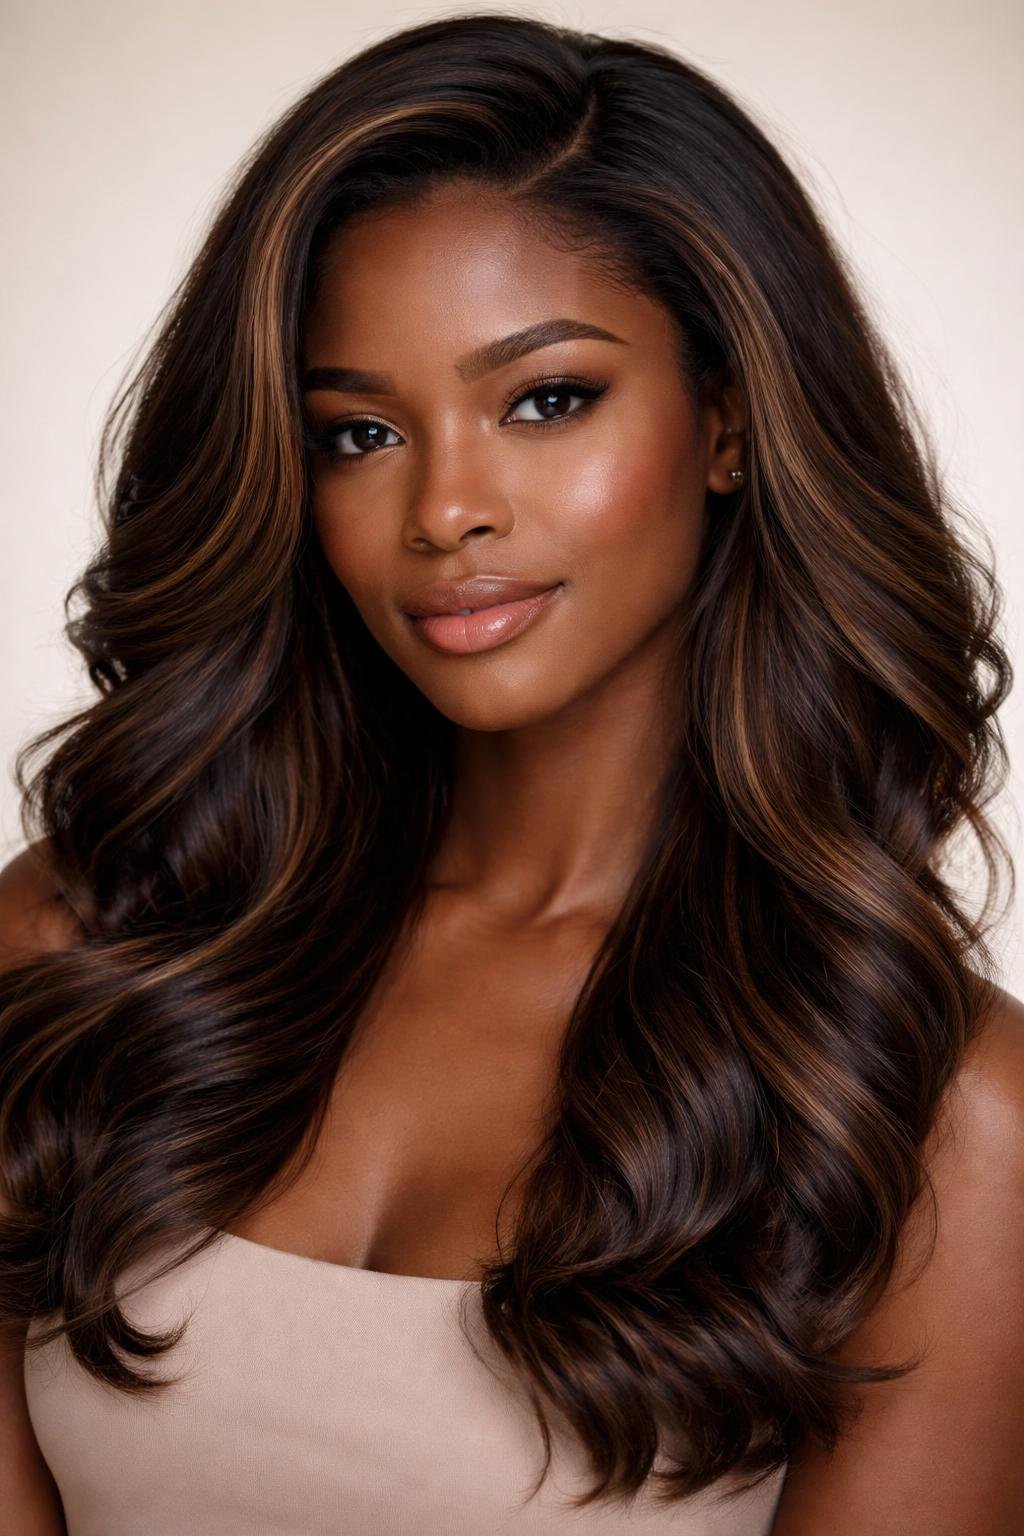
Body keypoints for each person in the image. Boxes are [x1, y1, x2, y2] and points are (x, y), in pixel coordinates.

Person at [2, 11, 1022, 1534]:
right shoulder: (101, 944)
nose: (447, 510)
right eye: (356, 432)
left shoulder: (933, 1117)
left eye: (546, 399)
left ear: (729, 419)